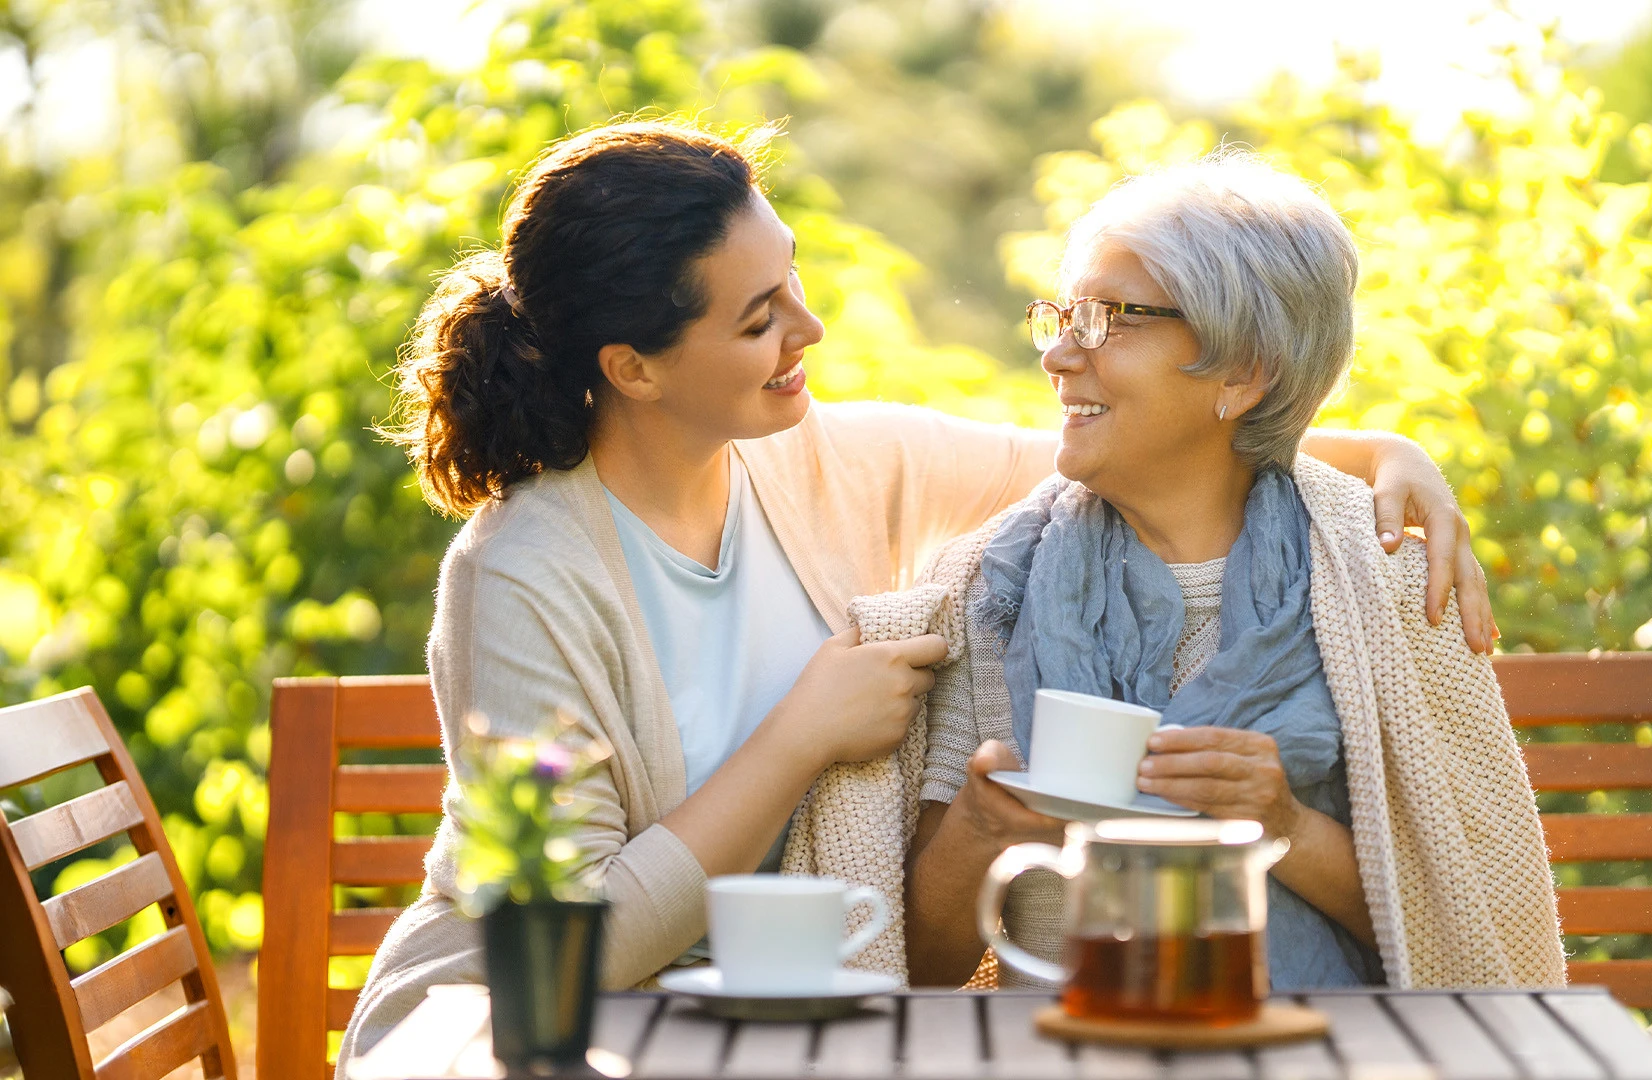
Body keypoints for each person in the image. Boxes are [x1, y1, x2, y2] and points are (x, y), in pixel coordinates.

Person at [338, 120, 1499, 1065]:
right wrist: (802, 737)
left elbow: (1128, 440)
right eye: (760, 319)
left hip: (772, 1020)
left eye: (791, 281)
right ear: (634, 369)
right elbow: (562, 947)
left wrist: (1387, 451)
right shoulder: (522, 576)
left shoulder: (828, 459)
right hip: (518, 1028)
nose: (812, 327)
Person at [906, 152, 1565, 991]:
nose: (1060, 356)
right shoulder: (994, 586)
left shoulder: (1384, 572)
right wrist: (976, 828)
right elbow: (922, 972)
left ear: (1244, 371)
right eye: (1064, 316)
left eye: (1110, 318)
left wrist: (1279, 822)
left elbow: (1469, 931)